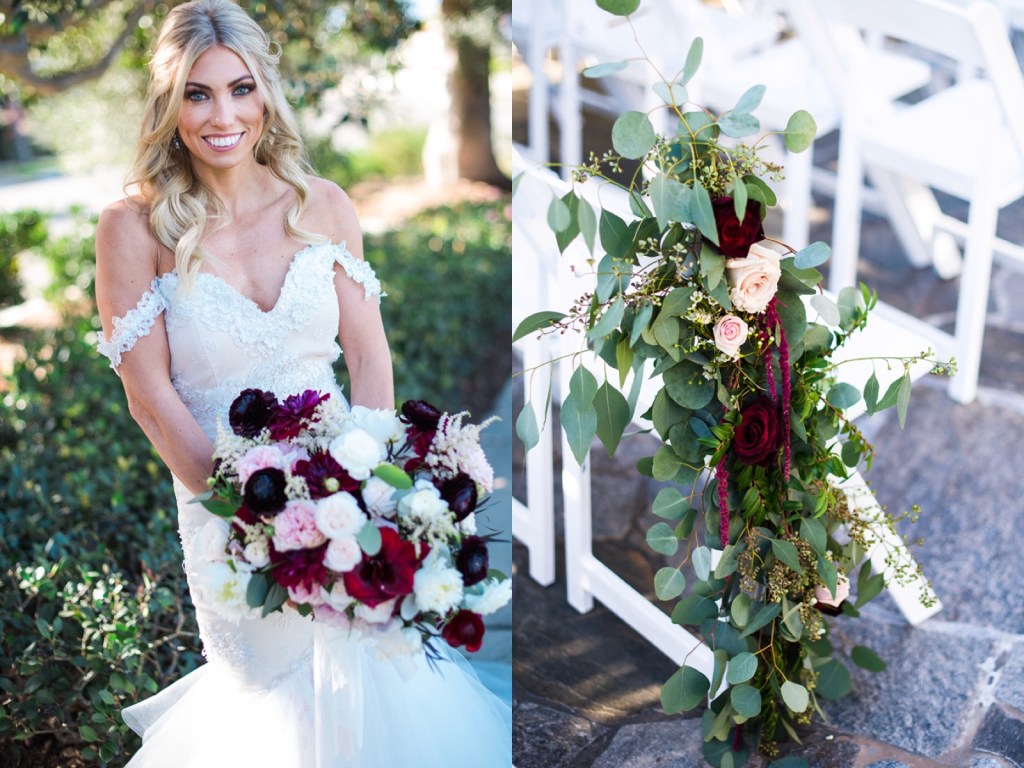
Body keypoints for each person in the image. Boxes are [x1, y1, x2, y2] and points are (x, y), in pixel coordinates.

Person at [93, 1, 512, 765]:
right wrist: (245, 515)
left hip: (344, 495)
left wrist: (373, 492)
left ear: (265, 95)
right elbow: (150, 398)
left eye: (240, 89)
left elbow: (369, 357)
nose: (224, 115)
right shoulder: (134, 228)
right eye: (198, 93)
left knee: (374, 693)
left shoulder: (322, 205)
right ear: (169, 104)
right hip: (224, 516)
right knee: (272, 708)